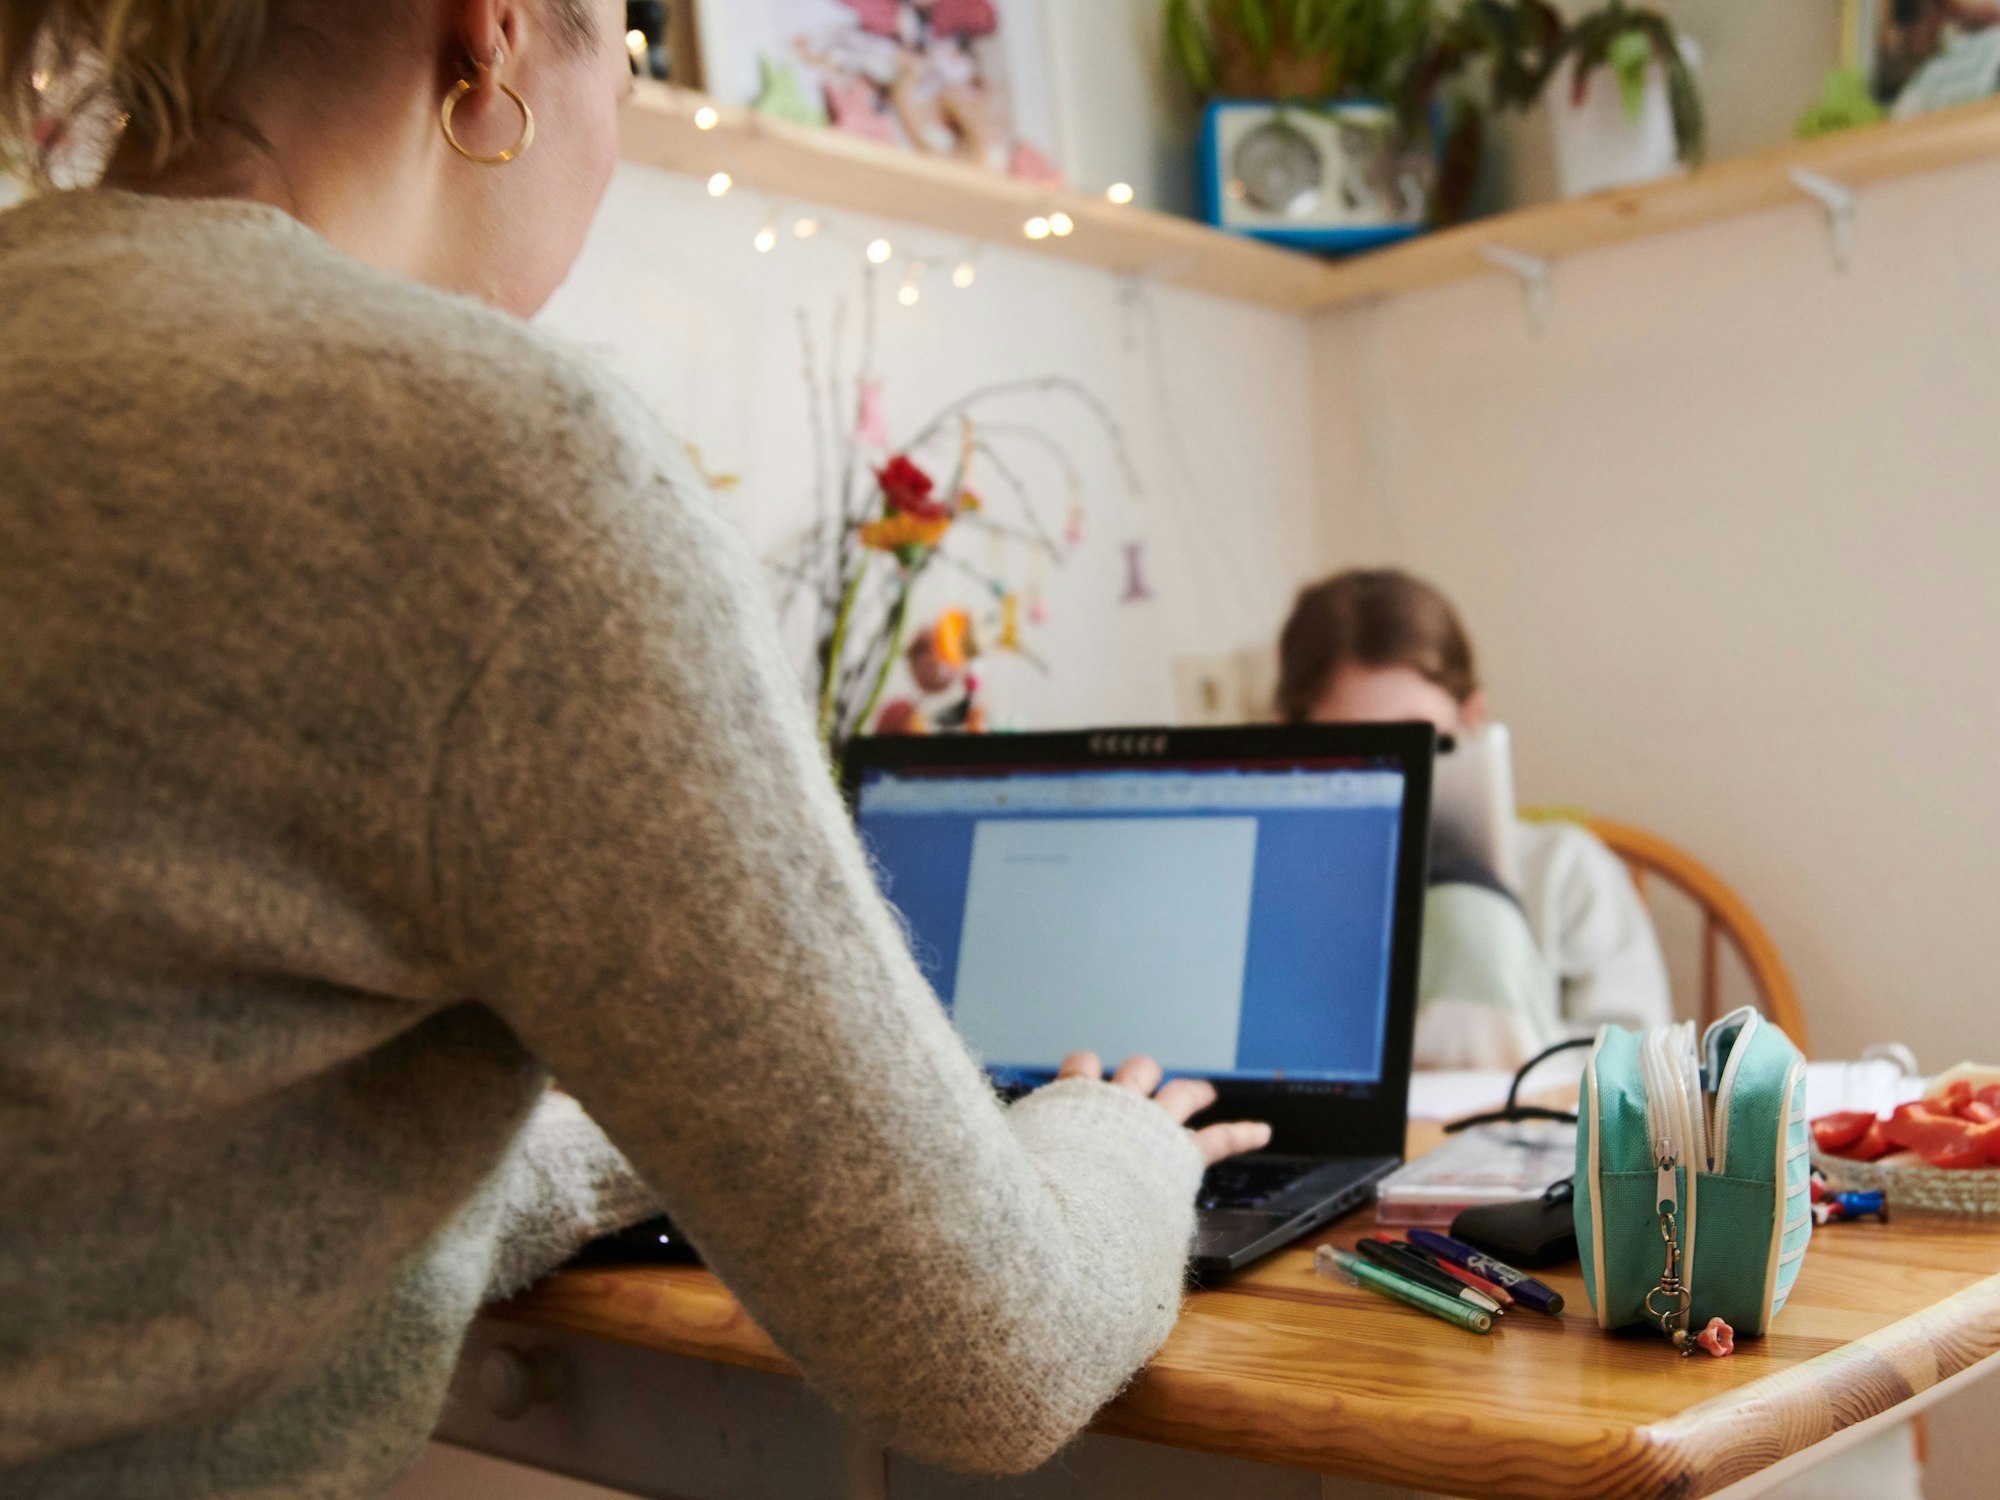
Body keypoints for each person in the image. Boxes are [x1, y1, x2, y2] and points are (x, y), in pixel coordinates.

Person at [0, 4, 1270, 1496]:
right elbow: (998, 1355)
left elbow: (155, 1206)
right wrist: (1118, 1140)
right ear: (496, 36)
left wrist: (656, 1144)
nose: (619, 106)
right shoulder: (494, 470)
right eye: (626, 51)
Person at [1277, 569, 1673, 1045]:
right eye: (1357, 748)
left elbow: (1640, 1061)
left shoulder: (1566, 869)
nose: (1395, 778)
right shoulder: (1276, 890)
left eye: (1424, 741)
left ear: (1471, 717)